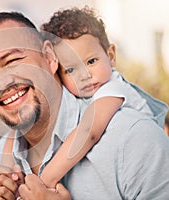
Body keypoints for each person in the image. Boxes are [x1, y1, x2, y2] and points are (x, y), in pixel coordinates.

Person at [0, 11, 169, 200]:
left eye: (13, 61)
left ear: (50, 58)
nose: (0, 84)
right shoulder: (1, 157)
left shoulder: (134, 138)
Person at [26, 6, 168, 189]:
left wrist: (46, 180)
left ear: (111, 56)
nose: (84, 75)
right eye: (70, 70)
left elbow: (89, 132)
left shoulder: (112, 88)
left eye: (91, 61)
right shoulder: (81, 94)